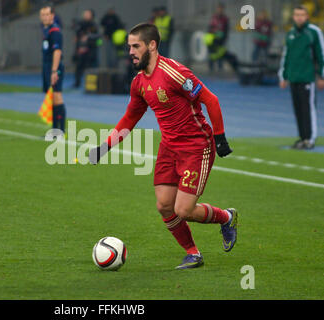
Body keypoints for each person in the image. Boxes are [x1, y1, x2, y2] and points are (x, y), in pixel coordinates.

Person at [88, 23, 237, 269]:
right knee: (164, 205)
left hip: (196, 146)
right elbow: (130, 118)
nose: (131, 52)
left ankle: (226, 218)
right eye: (129, 47)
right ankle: (193, 253)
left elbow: (211, 99)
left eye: (136, 46)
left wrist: (220, 138)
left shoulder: (175, 73)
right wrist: (105, 146)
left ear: (152, 45)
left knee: (184, 209)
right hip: (169, 147)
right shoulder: (138, 83)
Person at [279, 5, 323, 150]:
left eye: (302, 15)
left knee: (308, 109)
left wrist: (322, 76)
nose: (299, 17)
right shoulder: (290, 33)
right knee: (298, 109)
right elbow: (286, 56)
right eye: (296, 14)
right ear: (293, 17)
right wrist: (283, 76)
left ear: (307, 16)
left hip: (307, 77)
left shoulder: (313, 32)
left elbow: (321, 54)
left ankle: (310, 139)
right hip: (293, 77)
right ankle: (302, 138)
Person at [40, 4, 66, 134]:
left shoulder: (55, 31)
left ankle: (60, 130)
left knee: (57, 96)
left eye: (47, 14)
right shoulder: (46, 29)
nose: (44, 17)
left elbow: (57, 51)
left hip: (54, 66)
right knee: (52, 97)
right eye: (42, 15)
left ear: (52, 16)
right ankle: (55, 131)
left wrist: (54, 71)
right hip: (47, 65)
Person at [72, 9, 100, 88]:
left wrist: (88, 37)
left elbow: (97, 36)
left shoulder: (94, 25)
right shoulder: (80, 24)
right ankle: (77, 83)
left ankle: (91, 85)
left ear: (91, 15)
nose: (86, 15)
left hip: (90, 50)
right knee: (78, 67)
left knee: (90, 68)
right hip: (81, 49)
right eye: (85, 13)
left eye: (88, 14)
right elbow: (77, 33)